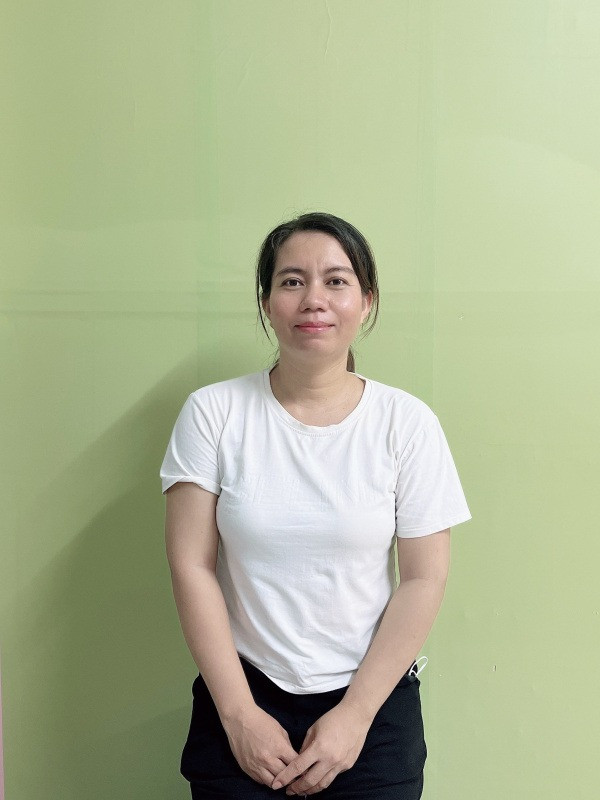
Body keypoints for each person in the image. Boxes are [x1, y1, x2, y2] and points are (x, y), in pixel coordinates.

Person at [159, 212, 472, 799]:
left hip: (373, 706)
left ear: (366, 301)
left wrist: (355, 717)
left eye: (336, 280)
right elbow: (190, 564)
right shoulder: (213, 413)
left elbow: (423, 578)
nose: (313, 300)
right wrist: (239, 716)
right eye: (292, 281)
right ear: (267, 301)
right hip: (242, 694)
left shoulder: (406, 423)